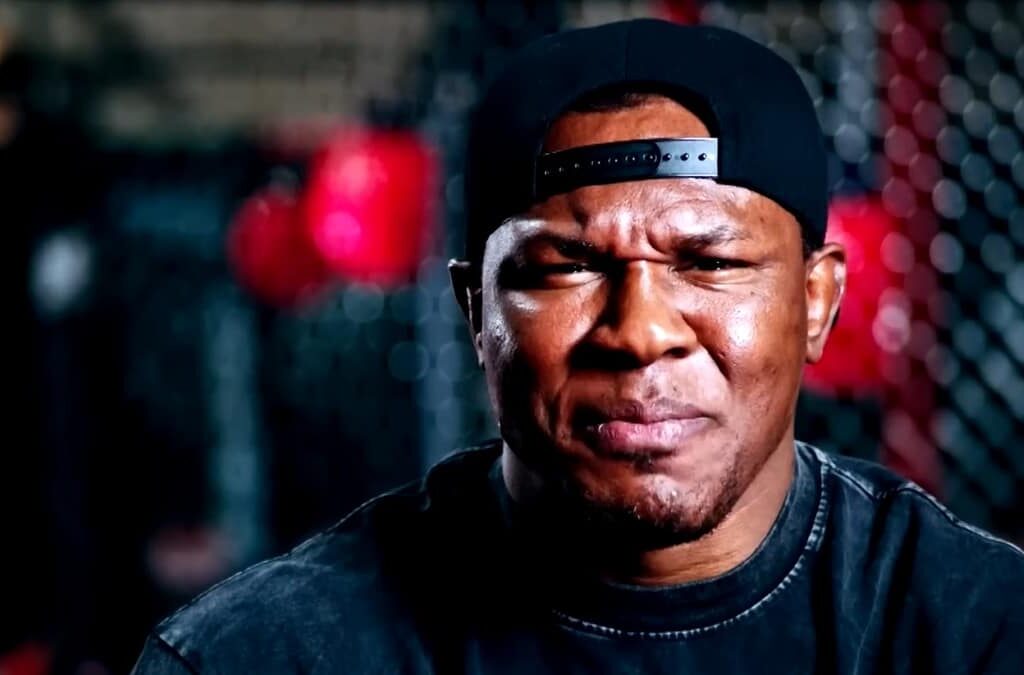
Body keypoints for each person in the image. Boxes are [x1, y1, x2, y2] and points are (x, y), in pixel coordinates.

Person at [132, 19, 1024, 674]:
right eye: (565, 268)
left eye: (709, 262)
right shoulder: (264, 657)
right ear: (475, 310)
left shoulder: (977, 631)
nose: (640, 331)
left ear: (818, 300)